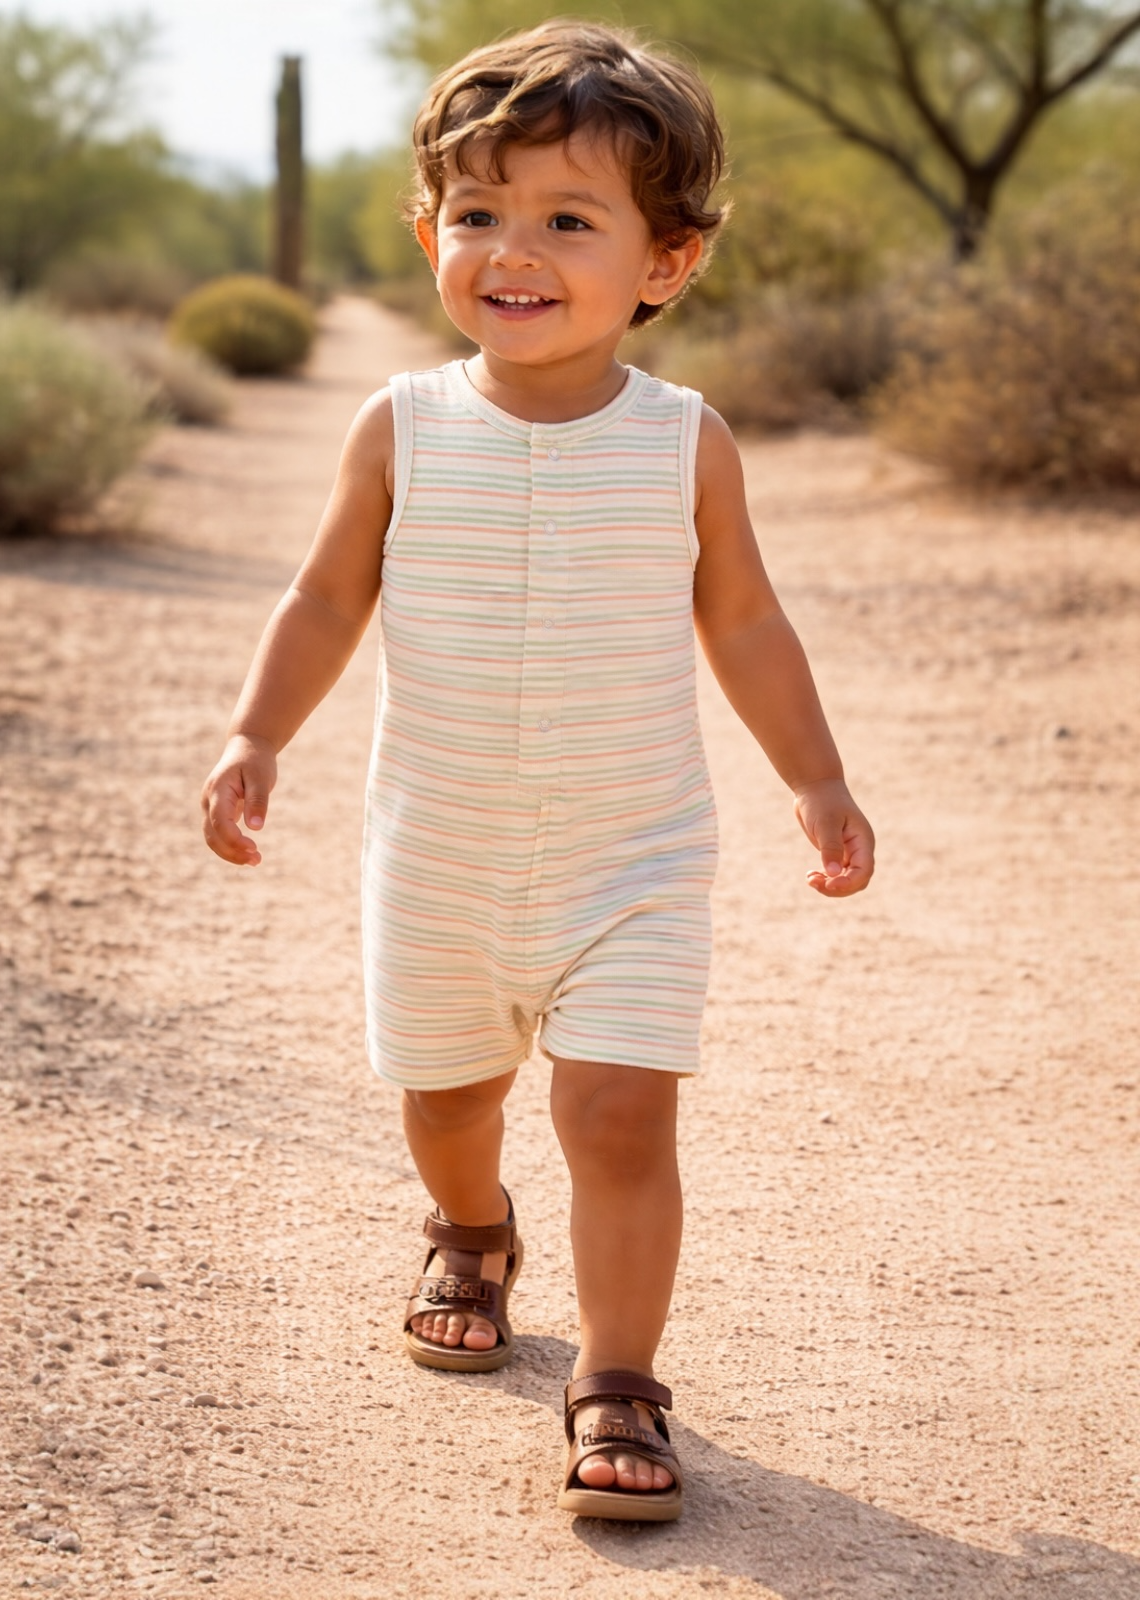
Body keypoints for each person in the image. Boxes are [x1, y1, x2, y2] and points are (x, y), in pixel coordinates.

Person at [201, 20, 874, 1523]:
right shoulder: (403, 429)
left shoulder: (684, 442)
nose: (514, 249)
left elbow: (748, 621)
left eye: (569, 218)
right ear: (433, 231)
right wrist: (257, 734)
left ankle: (621, 1381)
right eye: (478, 213)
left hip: (630, 863)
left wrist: (815, 779)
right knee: (447, 1094)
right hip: (435, 852)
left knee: (620, 1117)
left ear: (667, 261)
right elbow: (323, 600)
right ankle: (470, 1225)